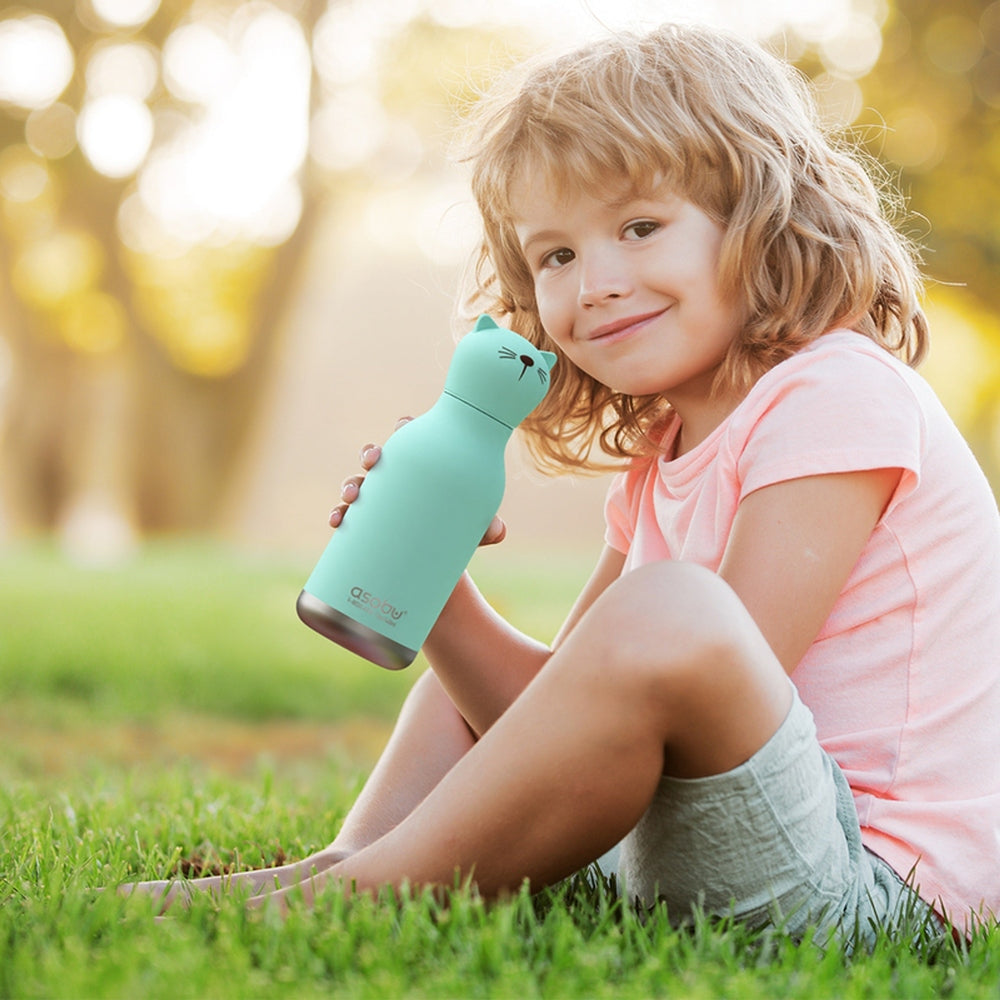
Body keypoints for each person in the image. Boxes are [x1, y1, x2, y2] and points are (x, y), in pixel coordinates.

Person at [124, 22, 1000, 942]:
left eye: (640, 227)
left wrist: (638, 631)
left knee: (669, 611)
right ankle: (345, 871)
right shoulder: (662, 450)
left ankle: (350, 901)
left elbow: (719, 667)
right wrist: (441, 591)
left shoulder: (838, 389)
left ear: (762, 216)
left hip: (874, 888)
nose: (596, 283)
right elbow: (553, 721)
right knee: (465, 692)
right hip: (717, 844)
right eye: (557, 255)